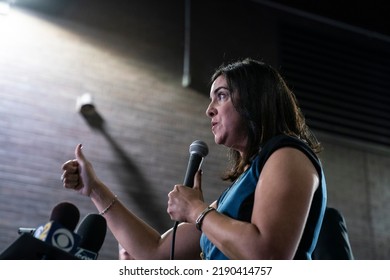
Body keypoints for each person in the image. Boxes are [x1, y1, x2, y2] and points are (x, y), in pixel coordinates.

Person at [61, 58, 327, 260]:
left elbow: (269, 256)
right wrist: (95, 189)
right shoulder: (231, 196)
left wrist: (197, 211)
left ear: (255, 100)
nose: (209, 109)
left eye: (221, 96)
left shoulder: (288, 155)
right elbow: (155, 253)